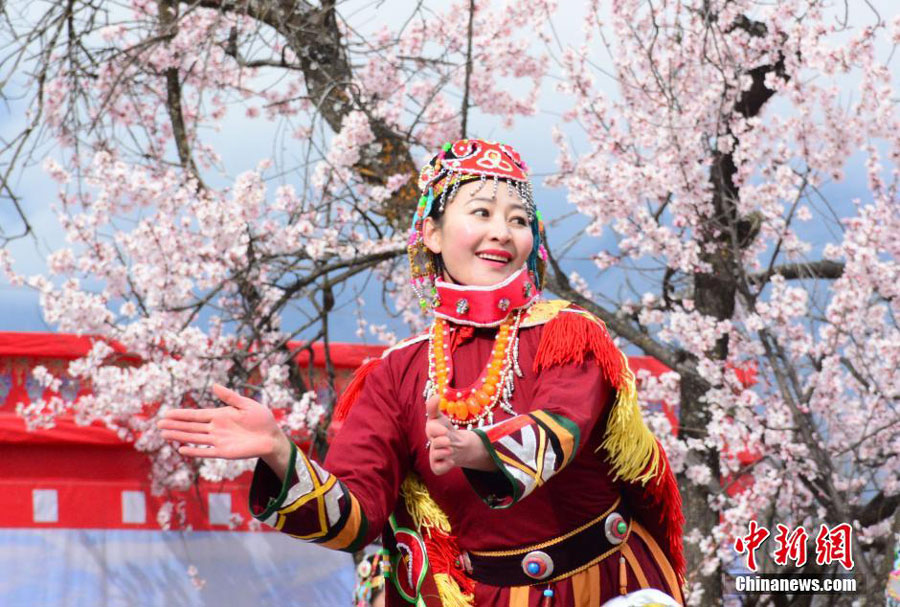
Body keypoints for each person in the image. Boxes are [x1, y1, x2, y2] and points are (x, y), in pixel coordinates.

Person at [159, 139, 685, 606]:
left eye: (519, 220)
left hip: (598, 585)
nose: (501, 232)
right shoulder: (396, 373)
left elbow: (562, 426)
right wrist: (279, 451)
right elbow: (356, 519)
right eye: (481, 212)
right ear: (432, 232)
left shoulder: (570, 334)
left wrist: (476, 450)